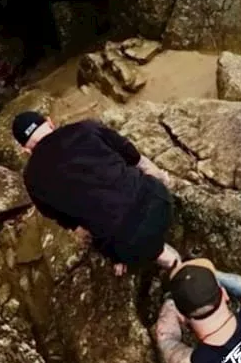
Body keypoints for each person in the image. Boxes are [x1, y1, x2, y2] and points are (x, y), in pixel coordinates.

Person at [14, 111, 181, 276]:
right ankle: (164, 255)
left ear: (26, 149)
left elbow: (64, 219)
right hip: (160, 202)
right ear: (50, 122)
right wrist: (161, 178)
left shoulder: (32, 179)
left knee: (103, 234)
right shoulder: (85, 128)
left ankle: (156, 256)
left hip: (126, 246)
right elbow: (133, 156)